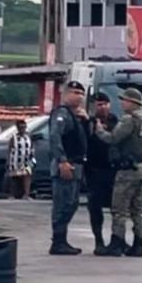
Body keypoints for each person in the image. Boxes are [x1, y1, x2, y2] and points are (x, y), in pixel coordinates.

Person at [95, 88, 142, 257]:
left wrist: (99, 129)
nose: (122, 103)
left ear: (132, 103)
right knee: (138, 210)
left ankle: (116, 243)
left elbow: (113, 138)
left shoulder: (130, 119)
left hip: (127, 171)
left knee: (119, 209)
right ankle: (138, 245)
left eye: (124, 100)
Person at [48, 80, 88, 256]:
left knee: (72, 204)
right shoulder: (62, 114)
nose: (78, 97)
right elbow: (55, 136)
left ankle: (62, 240)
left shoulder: (76, 116)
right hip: (65, 165)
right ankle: (58, 241)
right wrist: (62, 161)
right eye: (74, 93)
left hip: (76, 165)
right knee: (62, 204)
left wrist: (86, 121)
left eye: (81, 94)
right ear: (65, 94)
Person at [85, 93, 118, 256]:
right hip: (94, 170)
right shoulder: (87, 123)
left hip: (113, 171)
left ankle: (117, 240)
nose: (103, 107)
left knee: (118, 208)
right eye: (99, 104)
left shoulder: (115, 121)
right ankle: (99, 241)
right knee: (95, 208)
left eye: (105, 103)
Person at [6, 119, 33, 199]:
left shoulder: (28, 136)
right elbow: (9, 149)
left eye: (24, 127)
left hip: (26, 160)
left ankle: (26, 194)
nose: (22, 129)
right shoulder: (13, 137)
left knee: (27, 176)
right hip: (15, 160)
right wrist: (8, 160)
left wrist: (33, 158)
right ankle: (12, 195)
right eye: (20, 127)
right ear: (17, 128)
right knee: (14, 177)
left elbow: (32, 147)